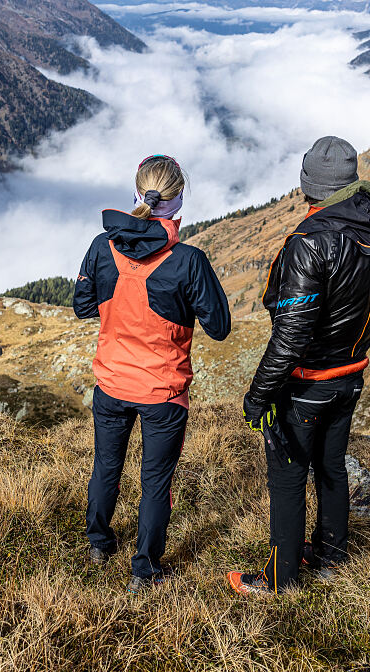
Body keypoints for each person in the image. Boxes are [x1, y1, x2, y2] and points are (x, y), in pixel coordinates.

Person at [227, 135, 370, 595]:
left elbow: (290, 339)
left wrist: (258, 397)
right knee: (332, 466)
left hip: (307, 383)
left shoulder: (309, 243)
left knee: (288, 475)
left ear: (308, 185)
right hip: (351, 375)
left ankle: (279, 581)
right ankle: (331, 557)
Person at [73, 154, 231, 593]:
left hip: (111, 382)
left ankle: (99, 543)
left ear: (137, 192)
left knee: (106, 466)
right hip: (162, 392)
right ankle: (144, 570)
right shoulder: (188, 260)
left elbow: (83, 306)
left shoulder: (100, 247)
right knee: (156, 482)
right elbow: (219, 327)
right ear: (179, 200)